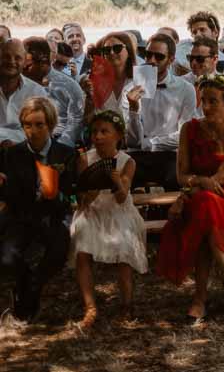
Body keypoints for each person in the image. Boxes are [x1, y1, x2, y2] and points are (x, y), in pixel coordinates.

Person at [156, 73, 224, 321]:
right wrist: (197, 184)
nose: (205, 107)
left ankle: (200, 299)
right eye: (203, 101)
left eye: (213, 101)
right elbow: (181, 175)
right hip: (200, 196)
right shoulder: (189, 129)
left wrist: (189, 193)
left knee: (207, 207)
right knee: (207, 207)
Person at [0, 96, 75, 322]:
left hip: (53, 216)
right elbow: (8, 197)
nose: (33, 131)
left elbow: (71, 196)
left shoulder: (66, 154)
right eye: (28, 125)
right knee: (7, 258)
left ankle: (32, 288)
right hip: (21, 216)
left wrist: (53, 194)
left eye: (39, 125)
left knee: (57, 253)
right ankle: (24, 283)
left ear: (50, 125)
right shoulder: (11, 154)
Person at [71, 109, 149, 327]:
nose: (98, 136)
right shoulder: (85, 158)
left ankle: (126, 305)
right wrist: (92, 188)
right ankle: (90, 307)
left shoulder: (127, 161)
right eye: (95, 131)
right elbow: (82, 199)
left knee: (123, 249)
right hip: (93, 209)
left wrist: (117, 182)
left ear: (118, 135)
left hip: (118, 210)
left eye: (105, 131)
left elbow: (123, 198)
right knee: (83, 244)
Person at [125, 32, 197, 189]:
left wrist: (151, 144)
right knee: (121, 177)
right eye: (148, 55)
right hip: (139, 154)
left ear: (171, 60)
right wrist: (133, 110)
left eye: (159, 57)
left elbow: (184, 134)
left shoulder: (185, 89)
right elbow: (133, 142)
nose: (151, 61)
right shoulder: (133, 87)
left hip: (169, 154)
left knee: (175, 179)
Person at [21, 37, 84, 150]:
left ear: (44, 62)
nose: (23, 70)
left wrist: (60, 145)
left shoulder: (69, 86)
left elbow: (76, 120)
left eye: (28, 66)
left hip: (60, 142)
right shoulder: (20, 84)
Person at [0, 38, 49, 146]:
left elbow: (43, 129)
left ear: (24, 62)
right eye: (6, 56)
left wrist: (16, 144)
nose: (11, 61)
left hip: (26, 151)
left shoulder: (36, 92)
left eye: (17, 58)